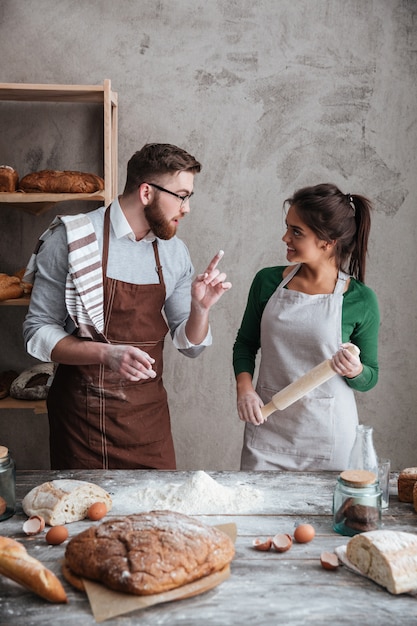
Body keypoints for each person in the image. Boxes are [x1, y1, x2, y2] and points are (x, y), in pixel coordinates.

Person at [23, 143, 231, 470]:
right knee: (86, 518)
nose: (187, 208)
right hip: (82, 419)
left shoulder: (174, 252)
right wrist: (107, 353)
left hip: (148, 418)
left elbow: (189, 346)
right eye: (181, 195)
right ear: (146, 192)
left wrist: (201, 309)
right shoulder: (72, 238)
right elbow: (37, 332)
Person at [233, 183, 380, 471]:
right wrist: (245, 389)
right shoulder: (267, 282)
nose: (285, 237)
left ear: (328, 242)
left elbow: (371, 376)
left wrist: (356, 370)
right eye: (288, 227)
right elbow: (246, 343)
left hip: (329, 437)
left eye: (296, 232)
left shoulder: (360, 299)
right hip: (268, 426)